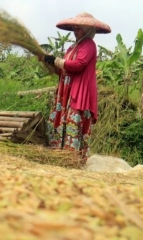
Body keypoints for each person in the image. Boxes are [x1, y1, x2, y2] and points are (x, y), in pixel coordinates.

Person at [43, 12, 111, 163]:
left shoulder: (89, 45)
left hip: (79, 90)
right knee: (63, 120)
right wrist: (52, 62)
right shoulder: (72, 47)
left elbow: (79, 64)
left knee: (74, 119)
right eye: (74, 28)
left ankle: (73, 158)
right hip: (66, 90)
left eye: (78, 28)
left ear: (87, 30)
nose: (75, 31)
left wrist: (57, 61)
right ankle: (60, 154)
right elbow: (65, 68)